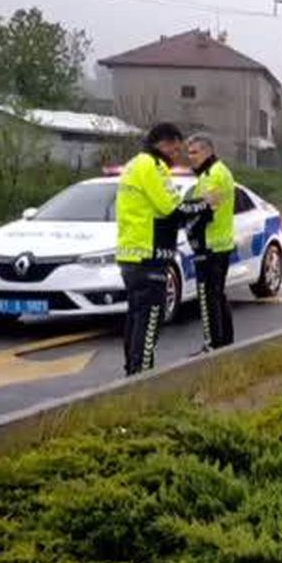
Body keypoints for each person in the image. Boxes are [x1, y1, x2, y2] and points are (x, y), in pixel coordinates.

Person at [115, 123, 217, 376]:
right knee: (151, 318)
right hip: (149, 254)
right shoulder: (153, 166)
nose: (177, 155)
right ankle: (142, 376)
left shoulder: (133, 165)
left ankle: (132, 370)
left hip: (131, 253)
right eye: (176, 148)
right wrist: (205, 205)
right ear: (165, 144)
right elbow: (171, 209)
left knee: (136, 316)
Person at [185, 133, 236, 352]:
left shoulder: (214, 174)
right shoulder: (212, 172)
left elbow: (205, 207)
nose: (190, 157)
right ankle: (225, 343)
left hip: (211, 246)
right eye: (189, 153)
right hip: (218, 244)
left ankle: (213, 345)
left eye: (194, 152)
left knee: (208, 299)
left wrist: (186, 219)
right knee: (217, 295)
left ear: (208, 151)